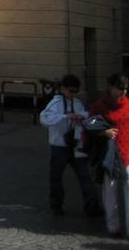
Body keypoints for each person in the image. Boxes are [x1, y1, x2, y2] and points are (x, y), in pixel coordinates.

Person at [39, 73, 101, 216]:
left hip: (76, 144)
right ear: (62, 88)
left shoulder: (77, 103)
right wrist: (66, 116)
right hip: (59, 146)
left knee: (84, 175)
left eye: (75, 91)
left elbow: (86, 117)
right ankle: (56, 205)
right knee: (56, 176)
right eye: (70, 91)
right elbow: (45, 119)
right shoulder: (55, 103)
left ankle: (92, 206)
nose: (72, 94)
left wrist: (82, 118)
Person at [90, 73, 129, 236]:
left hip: (127, 151)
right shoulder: (100, 106)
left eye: (125, 89)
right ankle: (112, 225)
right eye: (120, 88)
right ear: (111, 87)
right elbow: (89, 126)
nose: (123, 92)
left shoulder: (128, 105)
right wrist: (102, 132)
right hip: (110, 154)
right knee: (110, 189)